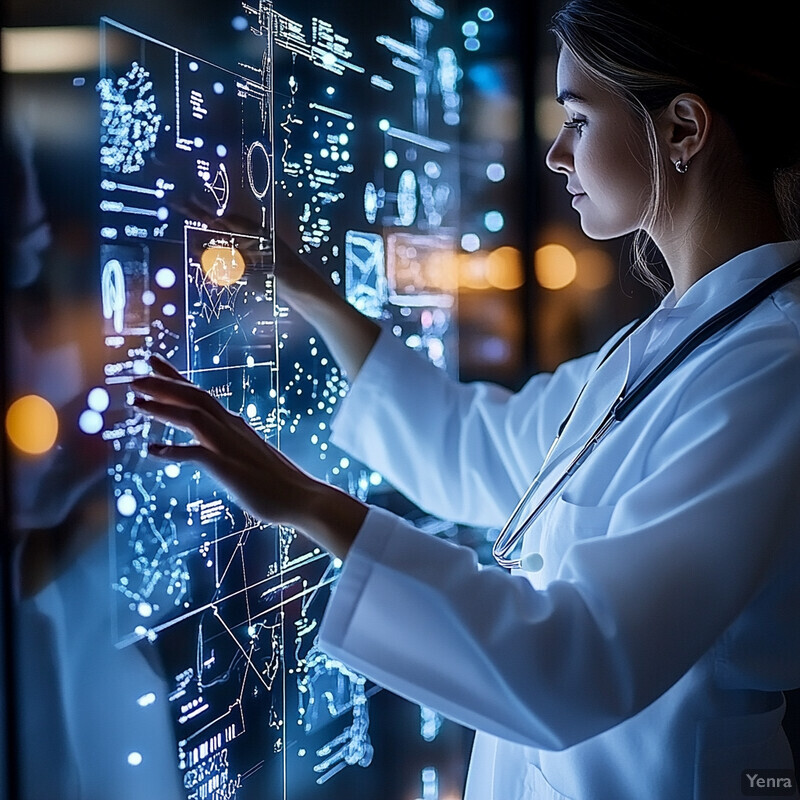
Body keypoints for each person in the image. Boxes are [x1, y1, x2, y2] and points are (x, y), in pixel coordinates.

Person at [132, 1, 800, 797]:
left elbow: (582, 663)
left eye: (579, 122)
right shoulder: (666, 343)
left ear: (684, 130)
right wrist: (308, 286)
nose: (556, 154)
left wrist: (307, 503)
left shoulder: (770, 370)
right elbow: (467, 449)